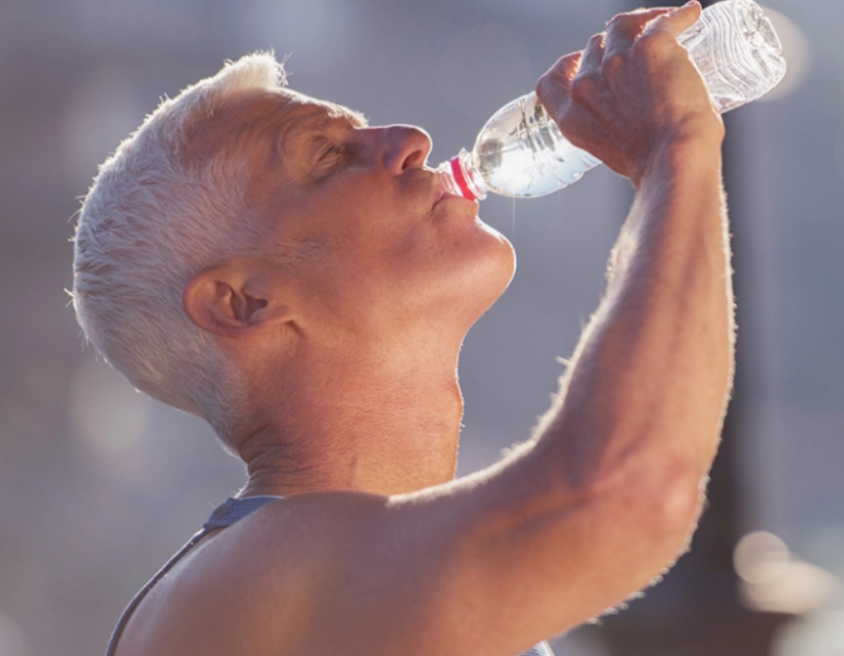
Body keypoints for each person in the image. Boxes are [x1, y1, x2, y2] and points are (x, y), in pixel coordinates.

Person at [72, 2, 734, 654]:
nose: (410, 139)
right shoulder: (250, 579)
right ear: (243, 303)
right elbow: (626, 494)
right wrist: (674, 145)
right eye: (330, 158)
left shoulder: (342, 572)